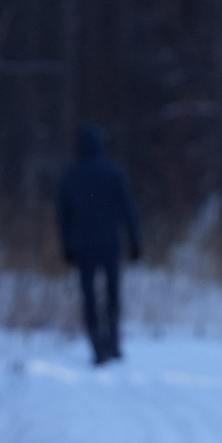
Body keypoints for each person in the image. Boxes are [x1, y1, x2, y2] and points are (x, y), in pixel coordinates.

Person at [56, 123, 142, 365]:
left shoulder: (70, 176)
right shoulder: (114, 173)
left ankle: (97, 346)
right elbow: (129, 211)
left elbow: (64, 217)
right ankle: (113, 343)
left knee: (89, 296)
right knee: (113, 293)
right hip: (110, 243)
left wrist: (66, 246)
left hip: (83, 246)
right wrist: (135, 243)